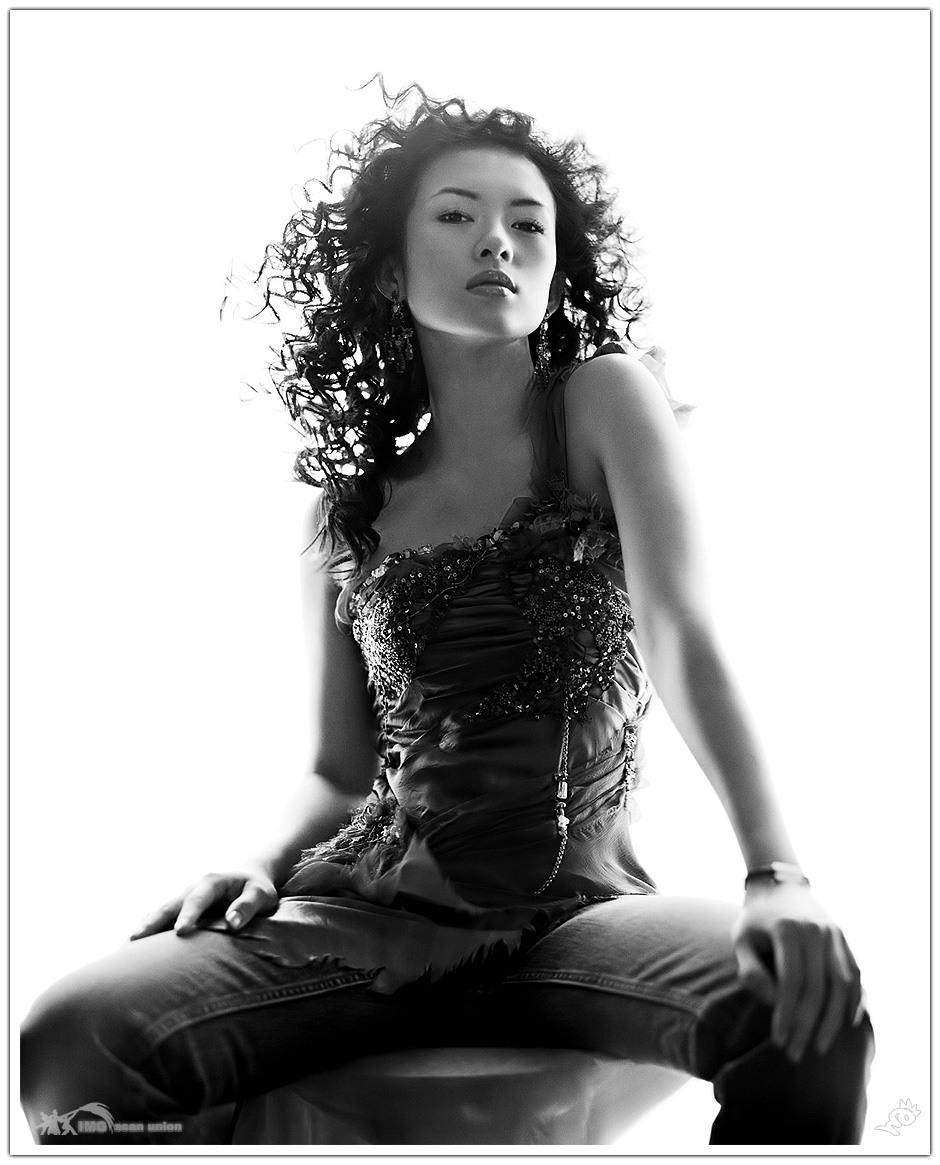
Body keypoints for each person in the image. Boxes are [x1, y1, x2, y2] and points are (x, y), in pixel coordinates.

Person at [20, 84, 874, 1146]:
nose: (497, 241)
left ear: (554, 267)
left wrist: (776, 871)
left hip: (572, 918)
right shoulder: (346, 511)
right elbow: (338, 768)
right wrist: (258, 862)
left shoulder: (603, 401)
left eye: (528, 224)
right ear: (390, 269)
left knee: (809, 1013)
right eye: (457, 215)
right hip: (364, 914)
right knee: (72, 1039)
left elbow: (681, 635)